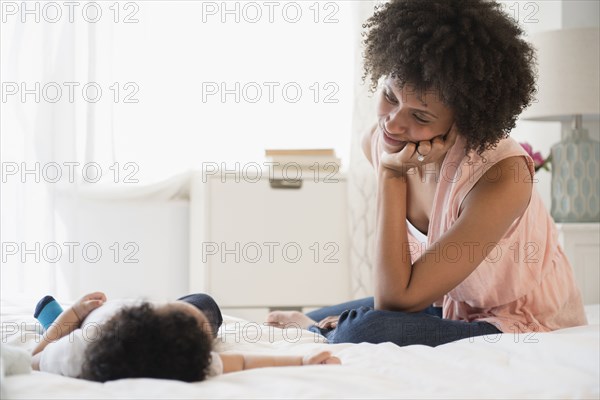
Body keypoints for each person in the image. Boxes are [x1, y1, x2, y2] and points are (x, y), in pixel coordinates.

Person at [267, 0, 587, 347]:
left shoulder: (502, 176)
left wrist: (391, 176)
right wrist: (391, 164)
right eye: (390, 96)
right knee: (301, 319)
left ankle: (320, 331)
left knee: (365, 328)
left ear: (462, 121)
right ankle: (314, 326)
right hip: (446, 304)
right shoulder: (378, 140)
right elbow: (399, 293)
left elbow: (395, 301)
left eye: (420, 117)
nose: (393, 122)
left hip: (518, 319)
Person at [31, 292, 340, 382]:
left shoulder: (73, 353)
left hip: (93, 318)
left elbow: (37, 355)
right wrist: (299, 359)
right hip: (109, 320)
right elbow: (243, 361)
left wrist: (72, 313)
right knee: (204, 303)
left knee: (66, 326)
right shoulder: (187, 364)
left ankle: (53, 315)